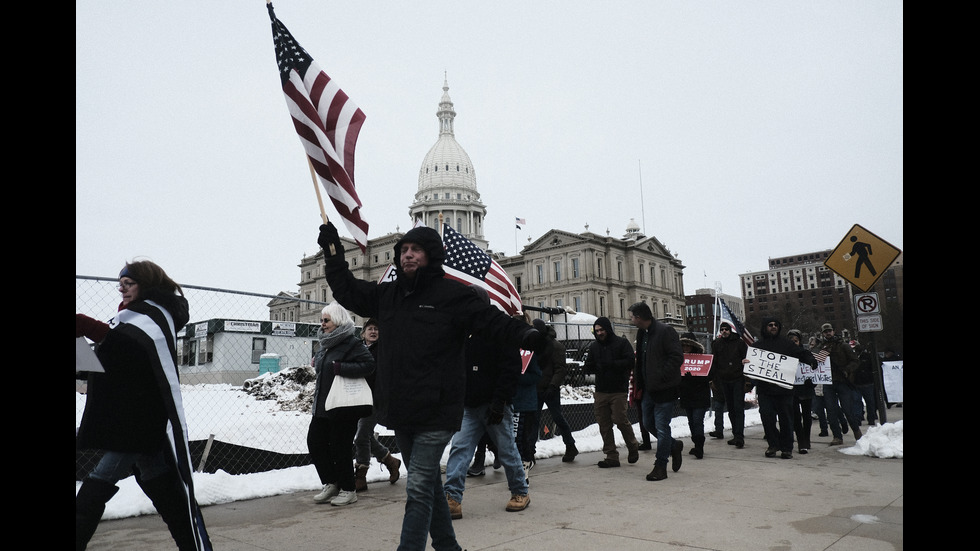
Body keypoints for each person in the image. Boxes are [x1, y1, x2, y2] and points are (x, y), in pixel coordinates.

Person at [317, 222, 543, 551]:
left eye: (416, 250)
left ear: (432, 255)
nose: (408, 255)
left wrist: (526, 335)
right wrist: (334, 251)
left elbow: (491, 321)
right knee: (428, 487)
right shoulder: (388, 296)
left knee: (418, 488)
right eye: (404, 250)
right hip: (401, 408)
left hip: (438, 410)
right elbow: (347, 289)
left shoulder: (452, 295)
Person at [75, 260, 211, 551]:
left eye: (128, 284)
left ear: (146, 284)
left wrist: (86, 325)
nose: (121, 289)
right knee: (161, 485)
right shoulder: (129, 317)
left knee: (97, 484)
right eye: (120, 284)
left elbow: (124, 347)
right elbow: (113, 363)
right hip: (133, 418)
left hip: (139, 420)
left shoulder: (154, 315)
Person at [444, 287, 531, 519]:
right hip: (469, 405)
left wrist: (500, 401)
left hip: (495, 404)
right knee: (460, 449)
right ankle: (452, 497)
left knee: (507, 450)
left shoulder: (499, 329)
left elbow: (511, 369)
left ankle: (520, 491)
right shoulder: (462, 331)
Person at [308, 303, 375, 507]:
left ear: (337, 321)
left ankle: (348, 489)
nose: (322, 324)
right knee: (315, 442)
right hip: (322, 404)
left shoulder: (351, 343)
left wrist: (340, 367)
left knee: (340, 447)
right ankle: (332, 482)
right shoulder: (325, 342)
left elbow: (369, 365)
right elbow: (321, 368)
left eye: (326, 320)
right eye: (322, 320)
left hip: (344, 405)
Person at [628, 301, 684, 481]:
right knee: (648, 424)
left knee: (661, 428)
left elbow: (677, 357)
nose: (630, 319)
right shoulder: (642, 332)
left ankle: (661, 466)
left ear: (639, 317)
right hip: (648, 389)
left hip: (664, 389)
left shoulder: (665, 331)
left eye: (632, 316)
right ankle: (673, 445)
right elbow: (642, 359)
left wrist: (660, 375)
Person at [746, 318, 818, 459]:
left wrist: (811, 360)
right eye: (770, 325)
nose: (773, 327)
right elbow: (750, 364)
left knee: (786, 420)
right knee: (767, 418)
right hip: (765, 390)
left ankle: (787, 448)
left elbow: (801, 353)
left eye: (776, 325)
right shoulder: (757, 346)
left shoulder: (787, 344)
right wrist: (746, 363)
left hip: (784, 390)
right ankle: (773, 445)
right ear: (764, 327)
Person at [353, 318, 402, 492]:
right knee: (363, 435)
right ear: (363, 332)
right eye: (370, 329)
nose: (373, 332)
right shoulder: (357, 348)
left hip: (375, 399)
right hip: (356, 397)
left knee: (361, 436)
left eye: (376, 329)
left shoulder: (383, 350)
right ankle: (390, 460)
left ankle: (361, 476)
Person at [584, 317, 639, 468]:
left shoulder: (621, 343)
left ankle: (633, 446)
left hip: (618, 390)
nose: (600, 333)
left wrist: (612, 365)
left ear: (608, 329)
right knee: (604, 423)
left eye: (602, 330)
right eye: (597, 331)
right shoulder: (594, 347)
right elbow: (589, 364)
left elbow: (630, 361)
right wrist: (591, 367)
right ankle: (611, 455)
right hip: (601, 390)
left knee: (620, 420)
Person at [533, 319, 579, 463]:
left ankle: (570, 445)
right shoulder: (535, 345)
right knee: (533, 421)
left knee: (557, 417)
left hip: (549, 388)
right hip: (536, 388)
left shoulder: (555, 346)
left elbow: (560, 369)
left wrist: (553, 386)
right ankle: (529, 451)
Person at [816, 323, 863, 446]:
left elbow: (855, 361)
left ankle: (856, 431)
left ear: (833, 331)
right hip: (828, 382)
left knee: (847, 409)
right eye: (825, 331)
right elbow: (816, 363)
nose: (828, 333)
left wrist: (847, 370)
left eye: (829, 331)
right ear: (822, 333)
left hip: (842, 381)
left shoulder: (843, 346)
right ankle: (837, 436)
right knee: (831, 411)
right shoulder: (821, 347)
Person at [513, 314, 543, 484]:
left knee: (521, 438)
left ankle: (523, 470)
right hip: (511, 401)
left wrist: (516, 376)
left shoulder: (528, 352)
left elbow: (536, 375)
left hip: (524, 403)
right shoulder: (509, 349)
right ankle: (518, 470)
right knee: (513, 439)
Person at [711, 322, 749, 448]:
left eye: (726, 329)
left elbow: (747, 360)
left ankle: (739, 436)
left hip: (738, 379)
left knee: (738, 408)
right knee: (731, 409)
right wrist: (713, 380)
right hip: (724, 380)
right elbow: (714, 363)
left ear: (730, 330)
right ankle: (735, 434)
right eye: (722, 329)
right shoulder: (717, 344)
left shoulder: (739, 343)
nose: (724, 331)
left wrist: (747, 380)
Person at [678, 333, 711, 459]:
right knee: (691, 421)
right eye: (684, 345)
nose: (686, 348)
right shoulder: (679, 359)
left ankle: (699, 447)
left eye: (688, 345)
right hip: (687, 395)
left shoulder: (703, 359)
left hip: (700, 395)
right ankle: (696, 444)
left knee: (697, 420)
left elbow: (710, 375)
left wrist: (695, 378)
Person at [787, 329, 815, 454]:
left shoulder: (806, 354)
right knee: (796, 417)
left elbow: (817, 371)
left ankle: (806, 439)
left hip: (806, 389)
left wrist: (812, 382)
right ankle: (801, 442)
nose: (793, 343)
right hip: (792, 390)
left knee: (807, 416)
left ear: (799, 341)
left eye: (796, 341)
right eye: (791, 341)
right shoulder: (784, 356)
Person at [851, 342, 879, 427]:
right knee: (857, 402)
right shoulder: (852, 357)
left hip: (868, 383)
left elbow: (874, 367)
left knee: (870, 402)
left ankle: (871, 418)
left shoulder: (867, 356)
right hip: (856, 383)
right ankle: (857, 419)